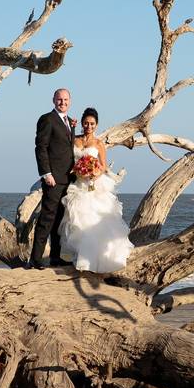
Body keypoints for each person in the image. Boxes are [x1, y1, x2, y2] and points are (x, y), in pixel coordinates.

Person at [59, 107, 134, 273]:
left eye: (92, 123)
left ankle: (96, 260)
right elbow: (70, 161)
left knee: (94, 220)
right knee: (78, 221)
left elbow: (103, 166)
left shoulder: (99, 144)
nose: (88, 126)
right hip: (78, 184)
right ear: (82, 123)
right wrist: (78, 170)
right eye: (86, 123)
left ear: (96, 125)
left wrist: (93, 173)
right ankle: (81, 257)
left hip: (94, 185)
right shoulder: (75, 140)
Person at [30, 88, 76, 269]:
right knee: (46, 219)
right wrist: (46, 173)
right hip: (53, 179)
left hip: (67, 179)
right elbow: (40, 148)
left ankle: (56, 258)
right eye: (59, 99)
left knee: (59, 220)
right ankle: (36, 259)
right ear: (53, 100)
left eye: (65, 100)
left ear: (69, 101)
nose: (62, 102)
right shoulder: (47, 119)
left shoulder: (69, 122)